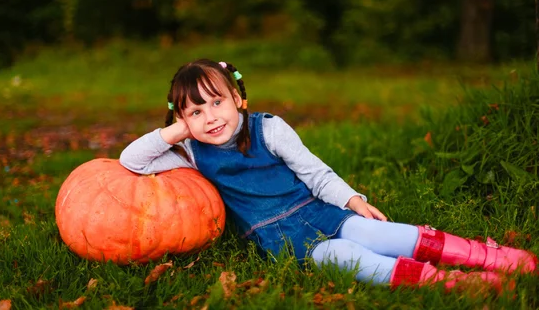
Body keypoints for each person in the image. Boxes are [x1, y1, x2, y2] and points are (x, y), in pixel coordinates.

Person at [119, 59, 536, 293]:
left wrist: (352, 200)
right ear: (182, 119)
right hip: (278, 239)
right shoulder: (190, 153)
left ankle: (483, 256)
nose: (209, 118)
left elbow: (315, 172)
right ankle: (445, 283)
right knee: (345, 259)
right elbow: (132, 160)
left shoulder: (269, 128)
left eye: (216, 103)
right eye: (195, 111)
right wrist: (176, 130)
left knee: (379, 235)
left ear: (238, 99)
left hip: (317, 211)